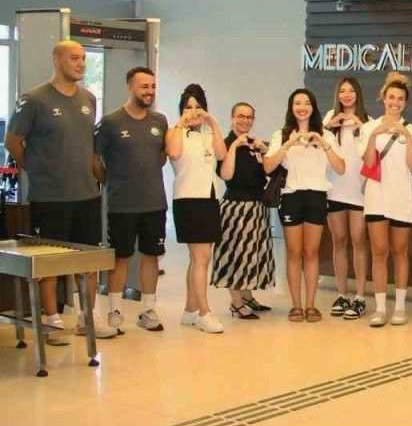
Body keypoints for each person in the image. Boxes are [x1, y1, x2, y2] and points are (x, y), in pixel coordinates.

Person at [6, 41, 115, 342]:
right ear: (56, 60)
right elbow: (12, 142)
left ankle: (86, 317)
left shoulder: (88, 99)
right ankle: (51, 320)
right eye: (74, 58)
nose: (80, 63)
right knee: (50, 261)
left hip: (87, 195)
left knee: (88, 261)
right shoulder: (34, 99)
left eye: (83, 58)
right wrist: (37, 170)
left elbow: (88, 147)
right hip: (50, 197)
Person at [93, 66, 168, 333]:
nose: (149, 91)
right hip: (122, 204)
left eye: (153, 86)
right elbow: (94, 160)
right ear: (130, 87)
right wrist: (111, 181)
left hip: (154, 203)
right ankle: (114, 310)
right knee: (120, 257)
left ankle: (148, 310)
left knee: (151, 256)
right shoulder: (110, 122)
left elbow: (161, 157)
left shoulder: (160, 121)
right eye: (144, 86)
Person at [264, 88, 344, 324]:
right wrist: (288, 143)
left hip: (316, 196)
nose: (302, 107)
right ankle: (296, 305)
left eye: (306, 103)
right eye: (297, 103)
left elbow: (341, 168)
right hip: (291, 197)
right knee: (293, 252)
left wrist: (323, 143)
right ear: (291, 108)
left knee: (311, 253)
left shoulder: (325, 134)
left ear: (313, 107)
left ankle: (310, 305)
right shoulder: (281, 134)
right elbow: (268, 166)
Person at [167, 84, 229, 334]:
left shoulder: (208, 134)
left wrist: (212, 122)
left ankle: (190, 310)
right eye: (188, 107)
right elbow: (173, 152)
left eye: (198, 107)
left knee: (199, 259)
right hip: (188, 199)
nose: (193, 111)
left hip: (209, 198)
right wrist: (181, 123)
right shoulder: (175, 132)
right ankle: (204, 312)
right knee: (201, 258)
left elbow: (222, 155)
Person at [362, 73, 412, 327]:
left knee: (401, 253)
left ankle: (400, 307)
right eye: (391, 97)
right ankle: (380, 308)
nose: (395, 103)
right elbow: (368, 163)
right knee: (379, 252)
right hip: (376, 198)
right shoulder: (369, 127)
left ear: (405, 102)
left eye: (400, 99)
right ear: (383, 98)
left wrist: (407, 136)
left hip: (402, 198)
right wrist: (374, 135)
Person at [213, 103, 276, 320]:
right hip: (236, 207)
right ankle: (236, 302)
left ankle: (247, 295)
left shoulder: (254, 144)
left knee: (253, 255)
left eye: (249, 117)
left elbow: (269, 171)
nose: (245, 120)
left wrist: (265, 150)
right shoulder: (225, 143)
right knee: (236, 254)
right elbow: (226, 175)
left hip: (257, 206)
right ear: (232, 118)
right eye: (240, 116)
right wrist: (234, 146)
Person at [323, 78, 370, 318]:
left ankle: (360, 297)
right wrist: (328, 126)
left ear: (358, 94)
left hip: (359, 191)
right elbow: (316, 143)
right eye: (342, 90)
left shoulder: (368, 121)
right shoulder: (329, 119)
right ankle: (342, 295)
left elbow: (373, 155)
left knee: (359, 241)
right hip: (335, 190)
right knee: (339, 241)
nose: (347, 95)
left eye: (351, 90)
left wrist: (362, 126)